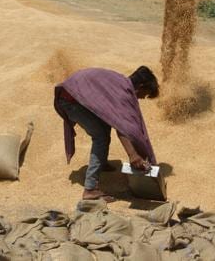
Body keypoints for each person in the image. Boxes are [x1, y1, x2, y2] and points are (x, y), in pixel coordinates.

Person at [53, 66, 159, 202]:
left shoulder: (120, 83)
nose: (143, 98)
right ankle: (90, 189)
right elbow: (121, 126)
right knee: (101, 137)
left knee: (104, 123)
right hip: (70, 101)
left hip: (72, 94)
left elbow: (115, 120)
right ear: (141, 86)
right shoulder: (122, 93)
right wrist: (133, 155)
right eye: (145, 94)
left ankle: (100, 162)